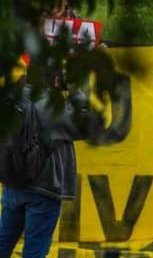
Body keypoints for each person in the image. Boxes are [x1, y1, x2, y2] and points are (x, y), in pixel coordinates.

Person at [0, 70, 103, 256]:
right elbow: (87, 126)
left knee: (3, 242)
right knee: (35, 250)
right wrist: (76, 92)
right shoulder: (51, 106)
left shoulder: (12, 98)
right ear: (54, 78)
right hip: (43, 189)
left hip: (13, 185)